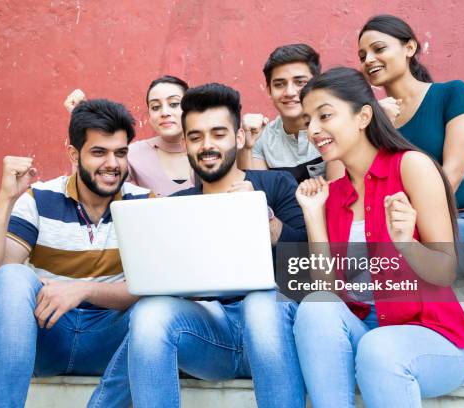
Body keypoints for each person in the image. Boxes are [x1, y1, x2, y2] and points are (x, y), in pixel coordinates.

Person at [97, 83, 307, 408]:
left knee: (260, 305)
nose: (207, 145)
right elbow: (157, 282)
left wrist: (271, 226)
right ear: (186, 144)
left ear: (238, 138)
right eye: (195, 137)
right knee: (149, 313)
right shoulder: (175, 205)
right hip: (210, 338)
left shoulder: (277, 185)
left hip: (274, 332)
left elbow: (312, 270)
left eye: (218, 134)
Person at [292, 67, 464, 407]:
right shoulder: (333, 195)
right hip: (368, 332)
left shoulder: (412, 167)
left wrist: (406, 242)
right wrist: (312, 215)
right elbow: (329, 293)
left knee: (379, 348)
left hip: (433, 337)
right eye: (308, 121)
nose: (314, 130)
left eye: (325, 116)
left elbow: (445, 271)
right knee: (315, 308)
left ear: (364, 115)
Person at [0, 99, 151, 407]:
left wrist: (83, 290)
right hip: (49, 335)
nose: (113, 164)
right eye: (99, 152)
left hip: (112, 340)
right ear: (73, 154)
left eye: (120, 153)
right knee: (11, 276)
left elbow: (151, 289)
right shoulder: (38, 199)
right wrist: (5, 199)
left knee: (158, 307)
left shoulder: (144, 204)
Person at [357, 14, 464, 269]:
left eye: (378, 49)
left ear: (409, 48)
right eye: (362, 56)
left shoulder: (452, 93)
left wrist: (410, 228)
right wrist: (376, 126)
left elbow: (454, 173)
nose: (368, 60)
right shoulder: (373, 120)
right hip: (403, 231)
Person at [64, 75, 195, 197]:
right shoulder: (130, 154)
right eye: (155, 107)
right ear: (149, 116)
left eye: (174, 104)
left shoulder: (207, 149)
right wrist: (81, 118)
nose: (164, 112)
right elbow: (88, 190)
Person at [237, 43, 345, 182]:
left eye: (300, 82)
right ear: (269, 90)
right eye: (279, 84)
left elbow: (339, 193)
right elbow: (258, 195)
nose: (290, 92)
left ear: (316, 85)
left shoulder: (334, 127)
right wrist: (246, 147)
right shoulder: (260, 138)